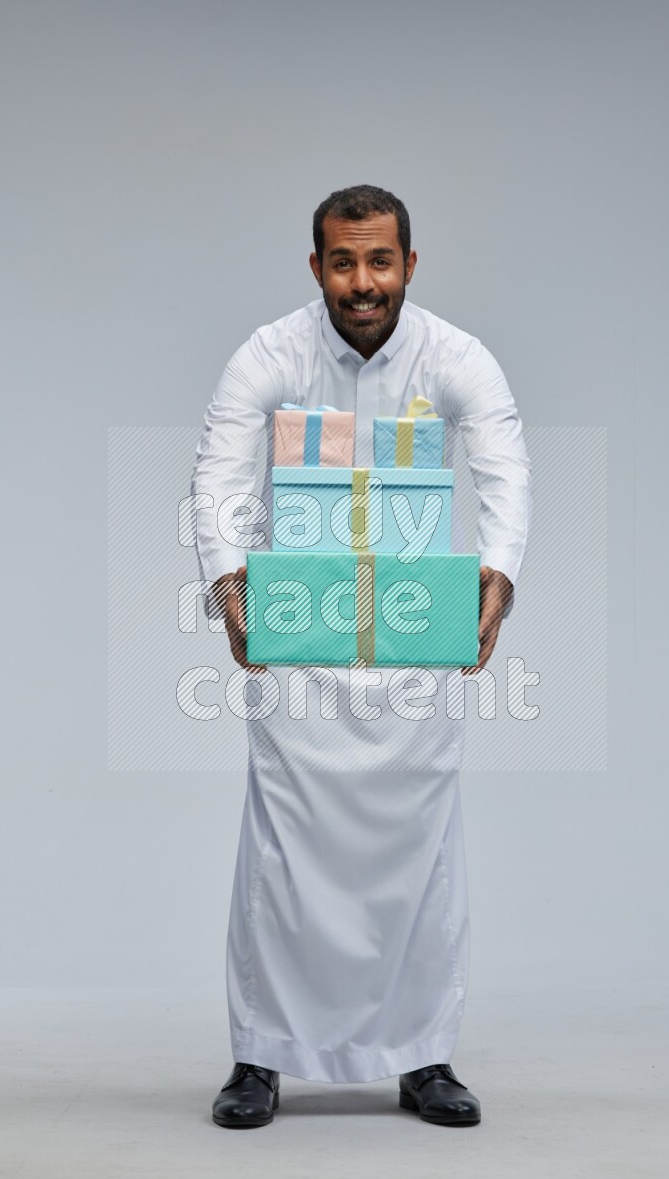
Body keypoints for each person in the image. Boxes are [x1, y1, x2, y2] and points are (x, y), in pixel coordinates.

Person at [190, 185, 531, 1129]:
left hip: (415, 628)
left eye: (380, 261)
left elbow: (504, 460)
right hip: (301, 628)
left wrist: (500, 571)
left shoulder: (455, 355)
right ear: (316, 268)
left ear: (410, 266)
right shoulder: (273, 352)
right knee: (282, 847)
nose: (363, 281)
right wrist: (228, 582)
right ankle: (258, 1054)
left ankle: (422, 1057)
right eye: (343, 262)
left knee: (422, 850)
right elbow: (219, 464)